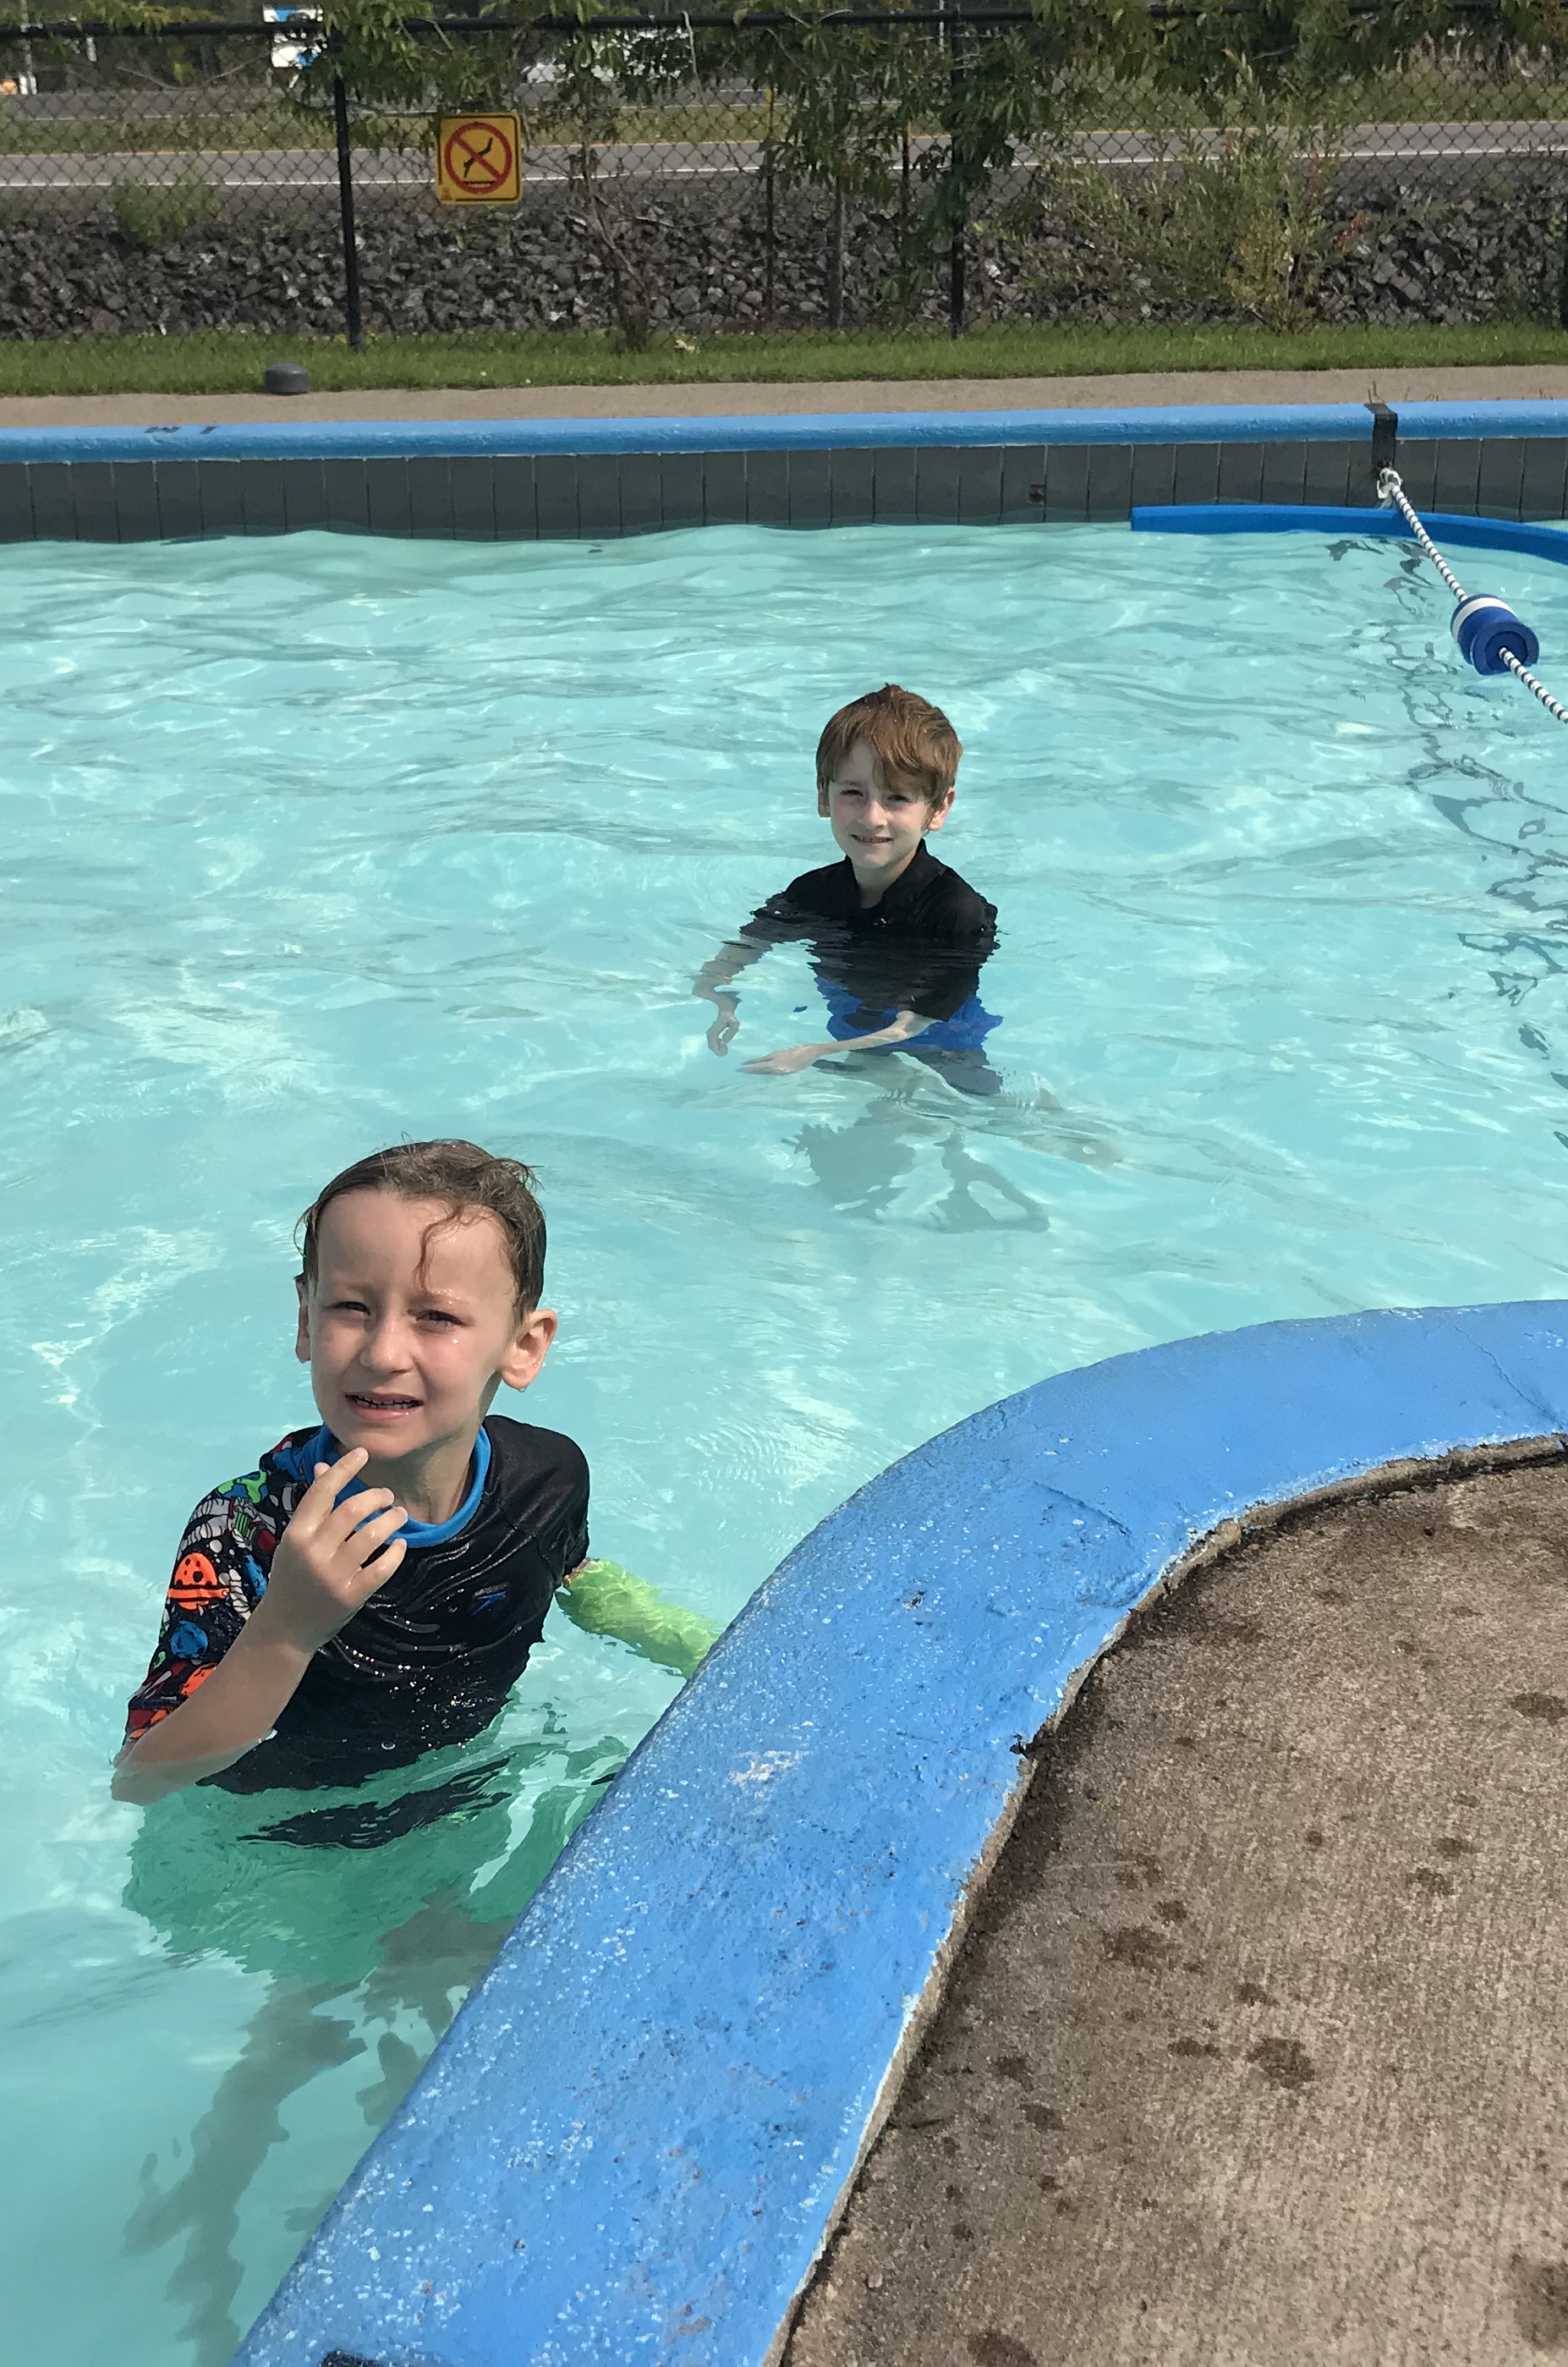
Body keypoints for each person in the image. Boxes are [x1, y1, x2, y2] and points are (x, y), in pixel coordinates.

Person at [111, 1139, 711, 1810]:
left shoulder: (548, 1480)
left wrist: (703, 1653)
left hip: (473, 1789)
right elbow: (142, 1778)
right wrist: (286, 1630)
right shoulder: (247, 1531)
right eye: (351, 1307)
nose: (383, 1352)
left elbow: (571, 1571)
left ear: (522, 1346)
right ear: (306, 1319)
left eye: (436, 1317)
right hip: (289, 1835)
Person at [693, 683, 1003, 1098]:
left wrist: (816, 1052)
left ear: (938, 809)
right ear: (824, 796)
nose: (872, 817)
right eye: (853, 793)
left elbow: (918, 1022)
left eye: (896, 798)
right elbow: (741, 949)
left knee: (977, 1103)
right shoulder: (814, 892)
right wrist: (719, 996)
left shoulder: (955, 911)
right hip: (852, 1017)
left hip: (942, 1038)